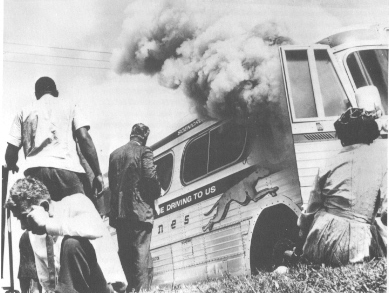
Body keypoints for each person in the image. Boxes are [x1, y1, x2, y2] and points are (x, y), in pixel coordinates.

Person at [298, 106, 387, 266]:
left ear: (343, 135)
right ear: (370, 133)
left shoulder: (328, 163)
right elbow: (387, 213)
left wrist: (303, 235)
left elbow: (310, 210)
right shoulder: (381, 163)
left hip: (319, 239)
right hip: (353, 245)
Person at [5, 176, 127, 293]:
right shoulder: (33, 234)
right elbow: (47, 281)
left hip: (103, 287)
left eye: (24, 217)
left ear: (44, 206)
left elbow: (95, 229)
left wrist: (48, 225)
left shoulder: (77, 202)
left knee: (72, 244)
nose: (23, 226)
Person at [5, 76, 104, 201]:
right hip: (66, 169)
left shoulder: (23, 111)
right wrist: (98, 173)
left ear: (36, 94)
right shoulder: (70, 105)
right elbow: (84, 138)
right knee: (75, 214)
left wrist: (12, 164)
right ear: (56, 92)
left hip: (35, 173)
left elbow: (11, 150)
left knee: (41, 216)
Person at [108, 123, 160, 292]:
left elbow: (113, 187)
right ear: (144, 137)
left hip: (120, 215)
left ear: (131, 135)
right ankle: (143, 290)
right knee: (141, 254)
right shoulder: (144, 151)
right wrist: (156, 194)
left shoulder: (114, 155)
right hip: (140, 212)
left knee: (126, 255)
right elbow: (150, 178)